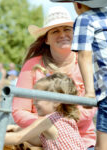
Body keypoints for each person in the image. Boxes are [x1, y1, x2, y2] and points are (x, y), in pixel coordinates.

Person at [50, 0, 107, 150]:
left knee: (103, 148)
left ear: (78, 5)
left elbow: (84, 55)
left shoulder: (84, 19)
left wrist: (90, 92)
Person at [12, 6, 96, 149]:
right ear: (46, 39)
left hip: (82, 141)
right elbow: (19, 110)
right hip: (40, 140)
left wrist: (55, 123)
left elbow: (90, 109)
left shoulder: (86, 63)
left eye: (67, 29)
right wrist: (46, 126)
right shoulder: (32, 65)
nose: (62, 34)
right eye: (55, 31)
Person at [5, 73, 86, 150]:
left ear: (56, 101)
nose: (34, 102)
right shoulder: (66, 119)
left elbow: (18, 138)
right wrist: (14, 128)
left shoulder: (47, 121)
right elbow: (36, 140)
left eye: (38, 98)